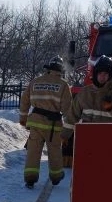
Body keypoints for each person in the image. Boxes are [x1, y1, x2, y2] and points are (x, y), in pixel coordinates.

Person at [19, 56, 73, 188]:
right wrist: (69, 127)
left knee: (33, 151)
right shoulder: (63, 85)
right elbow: (67, 109)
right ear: (60, 69)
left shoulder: (35, 81)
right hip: (53, 125)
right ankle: (56, 176)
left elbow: (24, 100)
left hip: (35, 122)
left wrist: (23, 118)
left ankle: (30, 178)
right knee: (54, 150)